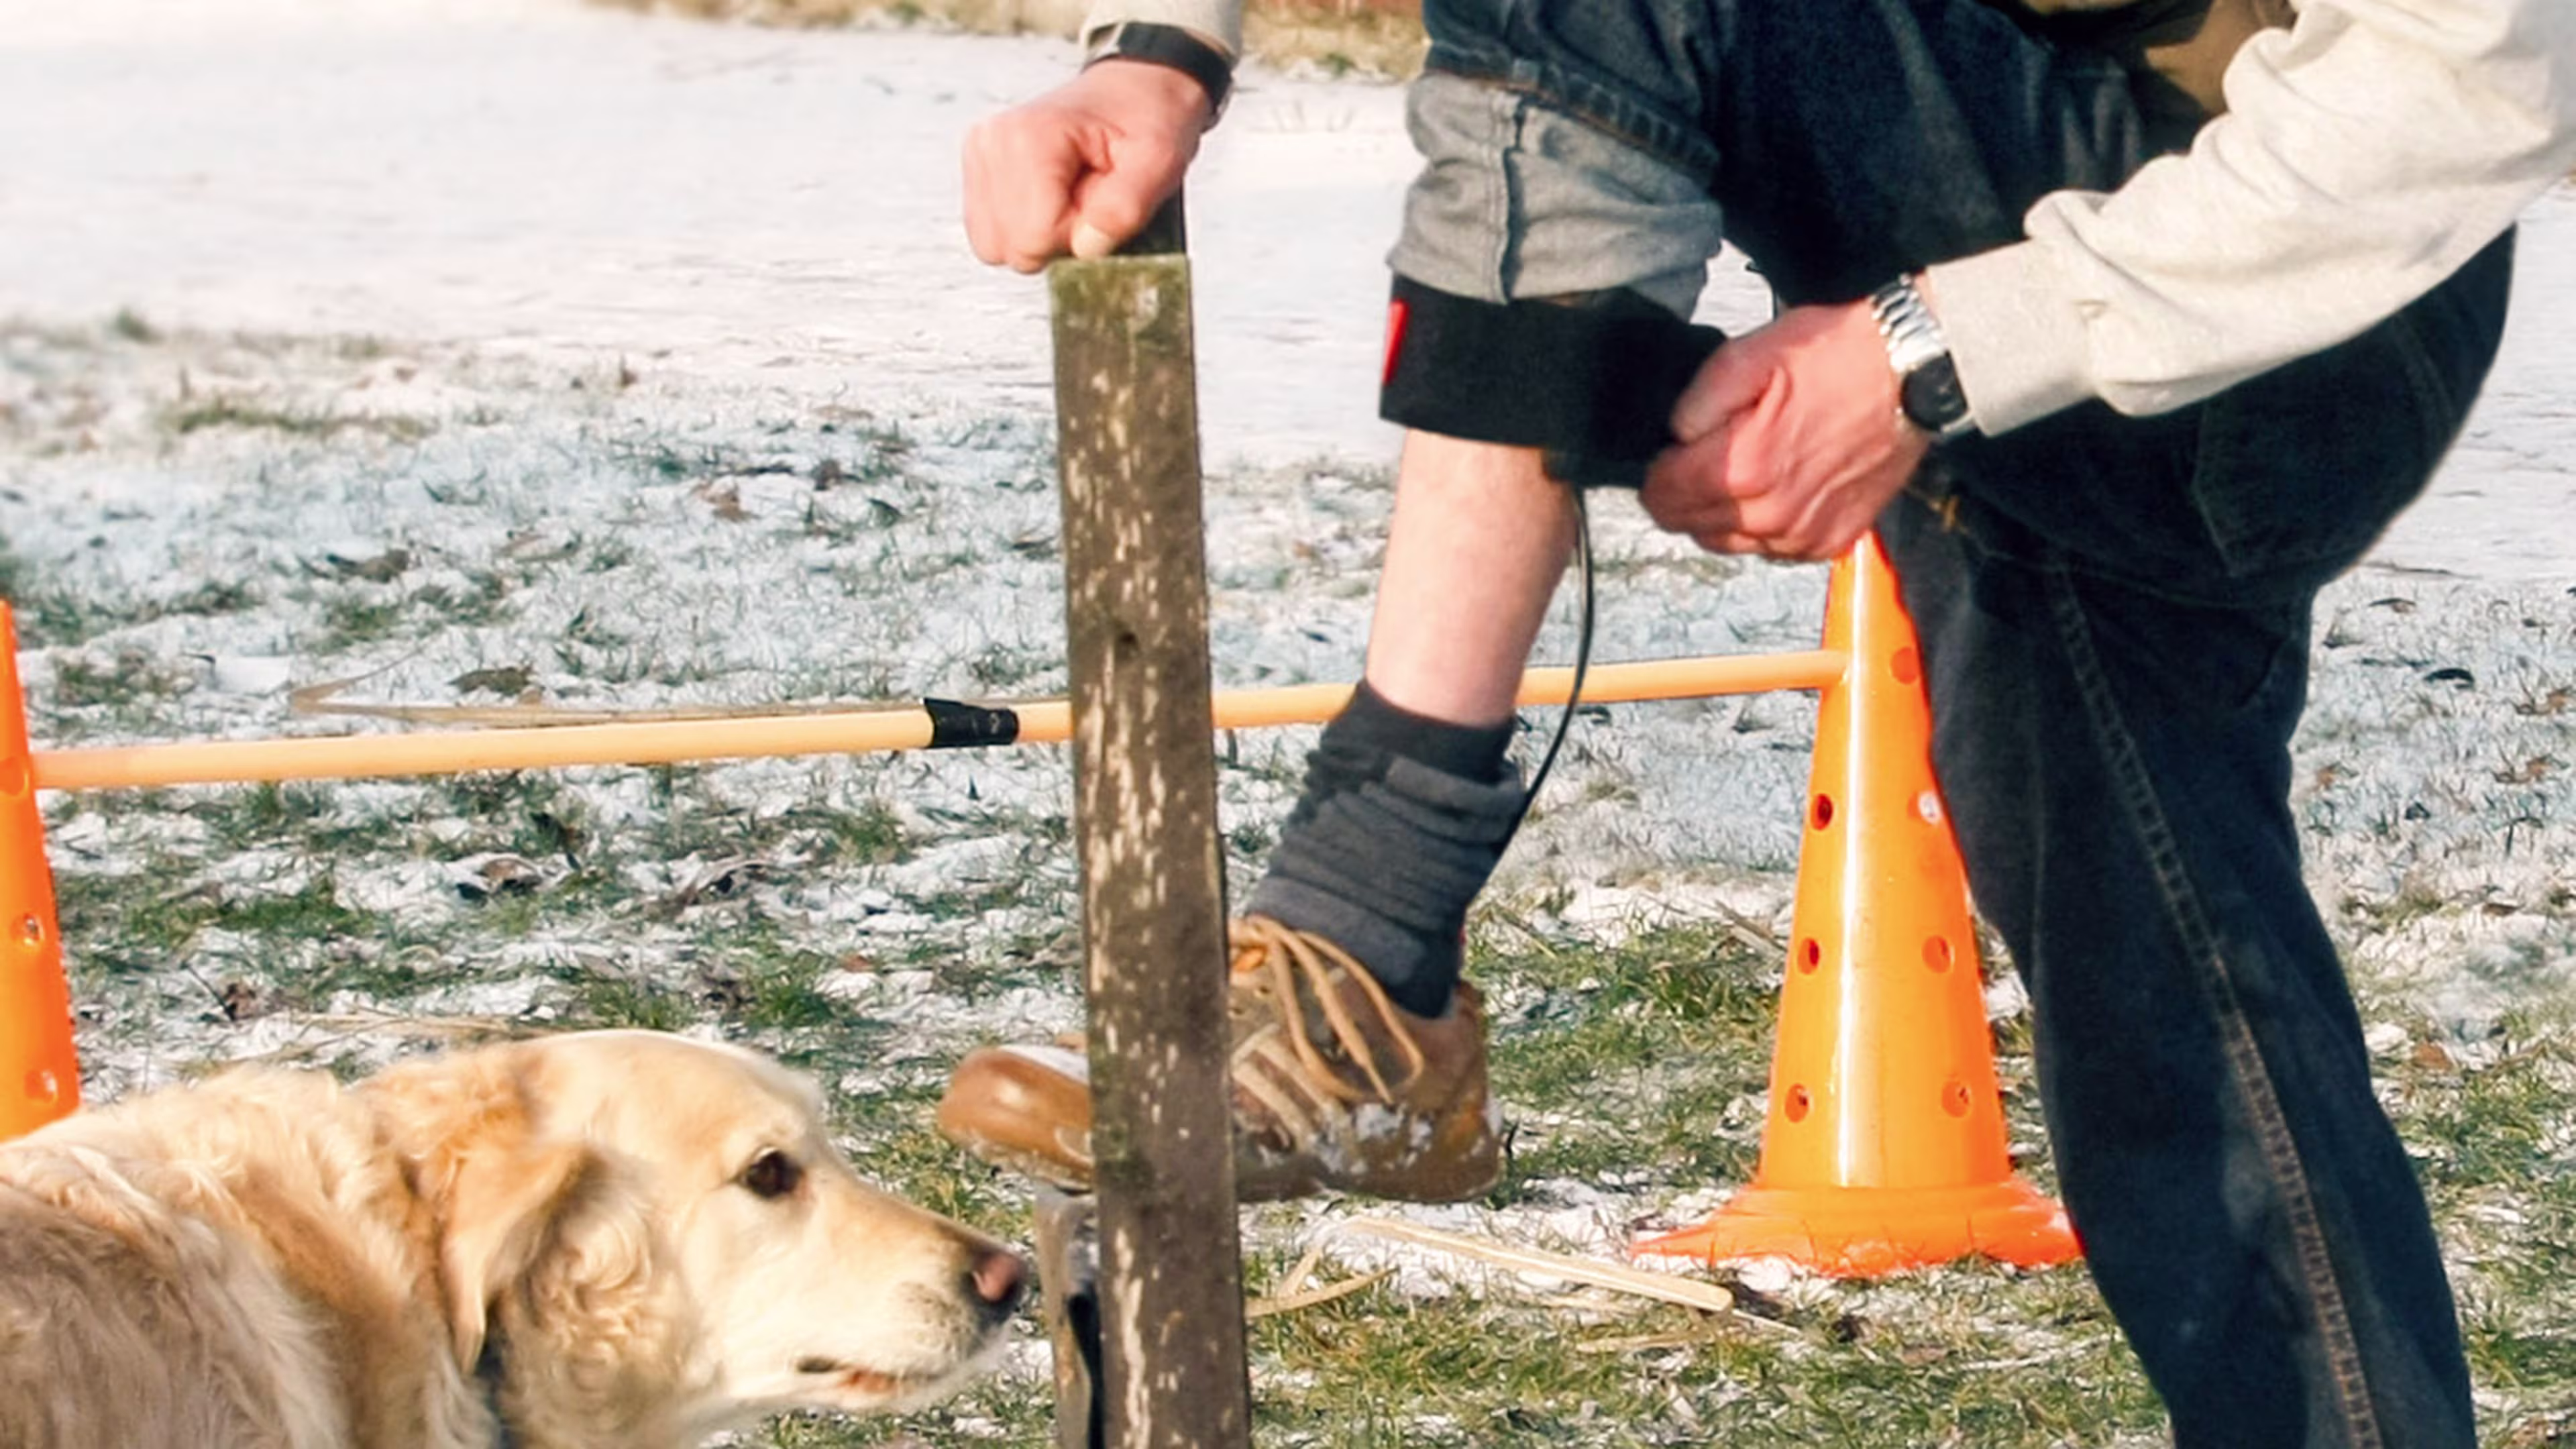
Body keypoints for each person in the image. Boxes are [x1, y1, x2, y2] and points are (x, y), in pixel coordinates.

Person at [940, 1, 2576, 1443]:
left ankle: (1371, 925)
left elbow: (2486, 77)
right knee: (2181, 1024)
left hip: (2276, 285)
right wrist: (1161, 51)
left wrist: (1931, 350)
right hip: (2050, 231)